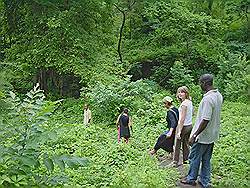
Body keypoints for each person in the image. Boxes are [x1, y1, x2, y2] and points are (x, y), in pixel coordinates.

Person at [180, 74, 223, 188]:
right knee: (206, 159)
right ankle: (205, 181)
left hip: (202, 136)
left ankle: (191, 179)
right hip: (212, 135)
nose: (200, 85)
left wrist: (194, 135)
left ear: (204, 83)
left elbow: (205, 119)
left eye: (200, 83)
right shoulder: (218, 95)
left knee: (194, 157)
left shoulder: (208, 99)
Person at [171, 86, 193, 167]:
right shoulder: (189, 102)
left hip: (183, 126)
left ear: (186, 93)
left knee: (177, 144)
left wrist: (179, 131)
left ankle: (175, 162)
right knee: (186, 144)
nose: (180, 94)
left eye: (182, 92)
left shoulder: (184, 104)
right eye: (179, 92)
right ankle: (186, 160)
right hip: (189, 125)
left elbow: (182, 119)